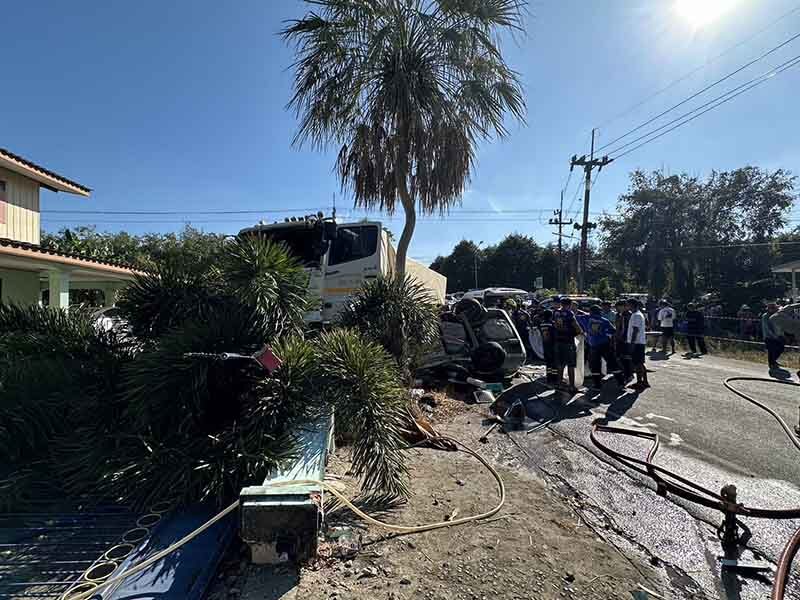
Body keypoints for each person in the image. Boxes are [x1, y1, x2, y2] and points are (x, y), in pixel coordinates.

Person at [580, 304, 623, 389]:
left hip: (593, 346)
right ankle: (621, 382)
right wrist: (604, 333)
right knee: (612, 363)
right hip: (605, 345)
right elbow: (613, 331)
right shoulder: (604, 320)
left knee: (595, 365)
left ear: (590, 312)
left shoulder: (586, 318)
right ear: (599, 312)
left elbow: (576, 316)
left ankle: (597, 385)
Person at [553, 297, 584, 393]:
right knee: (571, 364)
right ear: (569, 305)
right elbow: (576, 325)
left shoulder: (556, 312)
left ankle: (559, 384)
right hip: (568, 341)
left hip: (558, 340)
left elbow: (555, 325)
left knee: (560, 364)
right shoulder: (569, 313)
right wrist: (581, 332)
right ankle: (571, 386)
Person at [626, 298, 649, 390]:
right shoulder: (635, 314)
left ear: (632, 305)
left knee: (638, 364)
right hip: (638, 342)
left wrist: (632, 344)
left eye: (628, 305)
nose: (627, 306)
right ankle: (645, 382)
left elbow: (635, 330)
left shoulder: (637, 315)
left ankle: (640, 383)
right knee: (640, 363)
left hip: (637, 343)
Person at [613, 299, 633, 383]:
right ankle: (624, 373)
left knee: (626, 358)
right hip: (619, 339)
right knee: (619, 357)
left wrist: (621, 337)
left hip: (625, 339)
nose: (616, 308)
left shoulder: (629, 315)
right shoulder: (618, 315)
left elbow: (625, 329)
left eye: (618, 307)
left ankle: (629, 375)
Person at [538, 309, 558, 384]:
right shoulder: (552, 324)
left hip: (545, 345)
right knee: (554, 362)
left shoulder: (542, 324)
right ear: (551, 316)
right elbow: (555, 334)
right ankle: (554, 378)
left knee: (548, 362)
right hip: (553, 344)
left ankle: (549, 378)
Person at [763, 302, 785, 369]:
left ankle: (773, 361)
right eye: (773, 308)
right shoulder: (765, 316)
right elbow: (767, 328)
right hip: (769, 337)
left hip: (778, 335)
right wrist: (773, 335)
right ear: (769, 309)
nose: (775, 310)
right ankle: (771, 363)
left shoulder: (776, 315)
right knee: (771, 350)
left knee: (781, 348)